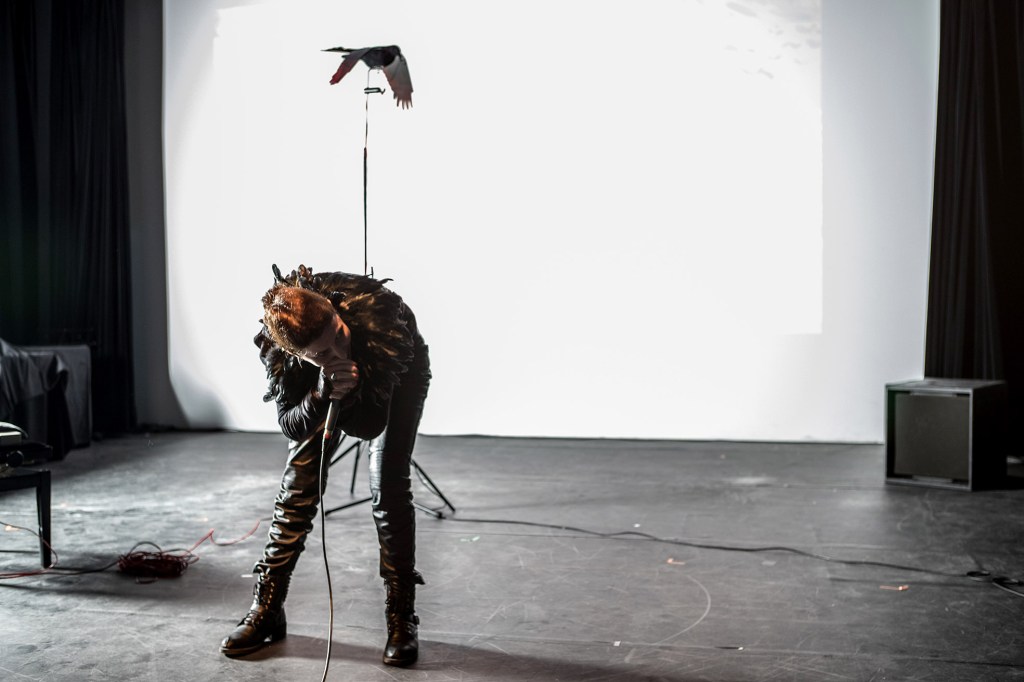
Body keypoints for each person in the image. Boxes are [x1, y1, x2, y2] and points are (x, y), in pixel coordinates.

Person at [220, 263, 431, 667]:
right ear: (295, 353)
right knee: (297, 486)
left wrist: (346, 389)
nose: (337, 351)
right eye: (322, 353)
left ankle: (401, 616)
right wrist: (321, 393)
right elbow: (291, 425)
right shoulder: (281, 346)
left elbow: (370, 426)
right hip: (320, 383)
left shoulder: (381, 319)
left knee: (387, 483)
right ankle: (267, 606)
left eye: (338, 335)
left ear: (335, 313)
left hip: (398, 369)